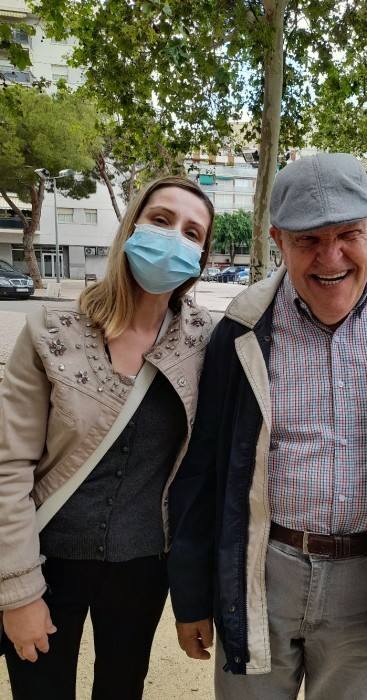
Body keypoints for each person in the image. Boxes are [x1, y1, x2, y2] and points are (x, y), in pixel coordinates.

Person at [168, 153, 367, 700]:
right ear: (278, 240)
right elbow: (200, 472)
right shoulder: (241, 331)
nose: (331, 257)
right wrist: (193, 597)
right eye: (308, 240)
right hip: (258, 577)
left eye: (348, 234)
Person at [0, 175, 215, 699]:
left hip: (143, 569)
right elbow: (8, 465)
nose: (174, 238)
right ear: (131, 227)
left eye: (192, 233)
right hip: (47, 561)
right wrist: (18, 590)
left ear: (201, 257)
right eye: (161, 220)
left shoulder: (205, 341)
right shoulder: (52, 331)